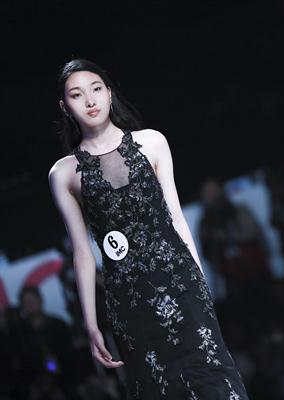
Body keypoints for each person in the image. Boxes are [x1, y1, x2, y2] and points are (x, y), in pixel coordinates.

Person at [48, 58, 248, 399]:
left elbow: (176, 217)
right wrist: (91, 324)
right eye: (77, 95)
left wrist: (200, 283)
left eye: (96, 89)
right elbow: (82, 253)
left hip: (182, 284)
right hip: (129, 301)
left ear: (109, 94)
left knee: (214, 379)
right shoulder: (63, 174)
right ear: (65, 106)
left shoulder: (152, 142)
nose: (90, 100)